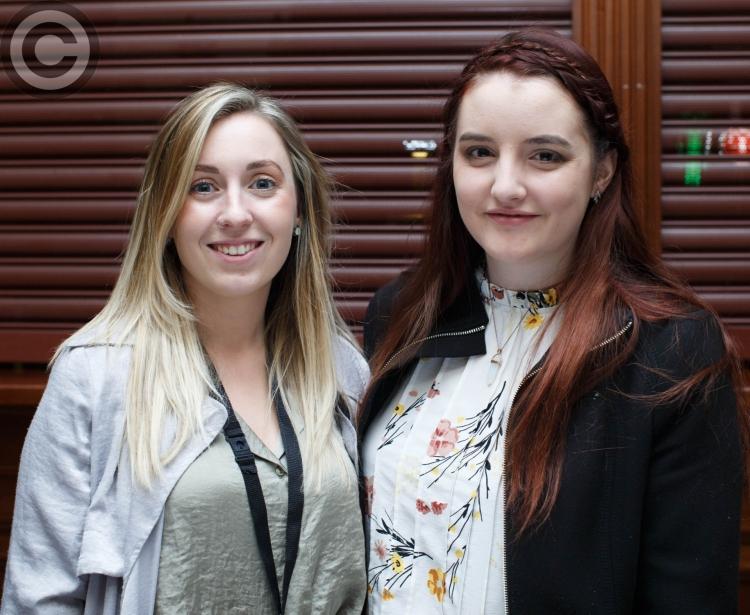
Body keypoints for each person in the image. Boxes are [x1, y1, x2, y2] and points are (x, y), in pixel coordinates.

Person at [359, 29, 747, 614]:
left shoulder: (671, 352)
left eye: (545, 155)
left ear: (602, 171)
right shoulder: (401, 313)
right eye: (479, 152)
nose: (505, 186)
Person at [2, 84, 368, 614]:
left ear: (299, 211)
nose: (235, 213)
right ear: (167, 217)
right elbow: (40, 599)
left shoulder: (342, 370)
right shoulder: (96, 378)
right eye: (203, 186)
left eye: (263, 183)